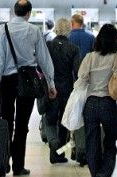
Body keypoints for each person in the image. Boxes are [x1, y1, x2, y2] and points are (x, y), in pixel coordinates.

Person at [0, 0, 57, 175]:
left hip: (7, 81)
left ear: (14, 11)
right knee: (22, 125)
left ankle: (3, 163)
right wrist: (51, 83)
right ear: (29, 13)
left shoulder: (2, 30)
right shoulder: (34, 30)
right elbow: (44, 59)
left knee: (6, 122)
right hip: (28, 80)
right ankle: (18, 167)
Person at [77, 24, 117, 177]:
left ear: (99, 39)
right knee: (110, 141)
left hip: (91, 103)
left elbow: (81, 78)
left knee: (92, 141)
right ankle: (104, 173)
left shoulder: (89, 57)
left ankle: (96, 173)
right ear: (115, 41)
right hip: (108, 104)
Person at [45, 18, 81, 164]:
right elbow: (77, 71)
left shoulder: (48, 45)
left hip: (50, 88)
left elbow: (39, 66)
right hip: (66, 89)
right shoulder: (73, 48)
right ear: (69, 30)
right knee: (63, 122)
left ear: (56, 29)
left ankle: (52, 142)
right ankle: (59, 154)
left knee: (50, 120)